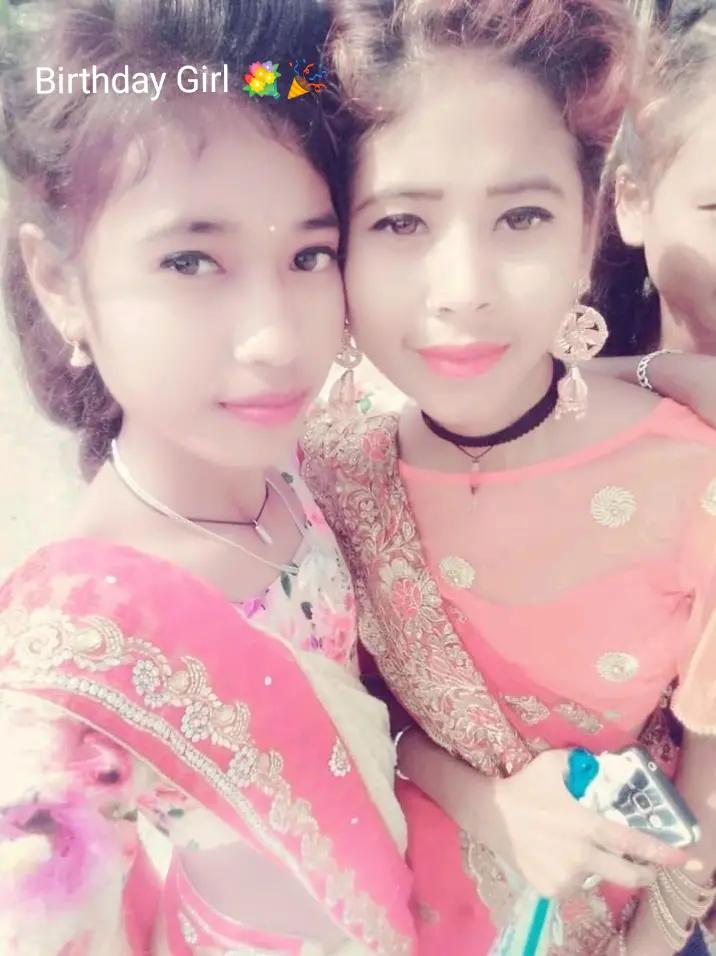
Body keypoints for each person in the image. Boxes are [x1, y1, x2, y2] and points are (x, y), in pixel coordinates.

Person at [0, 1, 417, 953]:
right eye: (191, 260)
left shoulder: (295, 470)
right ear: (60, 283)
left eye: (309, 254)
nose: (275, 339)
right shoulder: (64, 667)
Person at [302, 0, 716, 952]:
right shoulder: (324, 475)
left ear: (588, 228)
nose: (465, 288)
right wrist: (487, 802)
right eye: (401, 221)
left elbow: (703, 799)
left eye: (522, 216)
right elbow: (349, 717)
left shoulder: (694, 482)